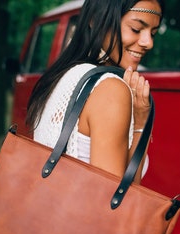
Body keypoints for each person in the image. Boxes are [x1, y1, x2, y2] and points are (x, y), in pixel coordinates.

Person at [26, 0, 164, 184]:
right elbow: (114, 202)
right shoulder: (110, 89)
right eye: (136, 29)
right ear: (96, 20)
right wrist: (141, 123)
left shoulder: (62, 76)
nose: (149, 43)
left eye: (153, 33)